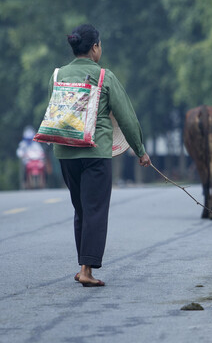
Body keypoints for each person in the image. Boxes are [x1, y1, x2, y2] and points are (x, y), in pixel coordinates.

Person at [50, 24, 151, 287]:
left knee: (81, 209)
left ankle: (82, 264)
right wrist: (139, 150)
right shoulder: (104, 76)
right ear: (95, 47)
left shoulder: (59, 74)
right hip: (96, 153)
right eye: (100, 45)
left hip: (65, 152)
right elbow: (127, 117)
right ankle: (86, 270)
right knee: (95, 209)